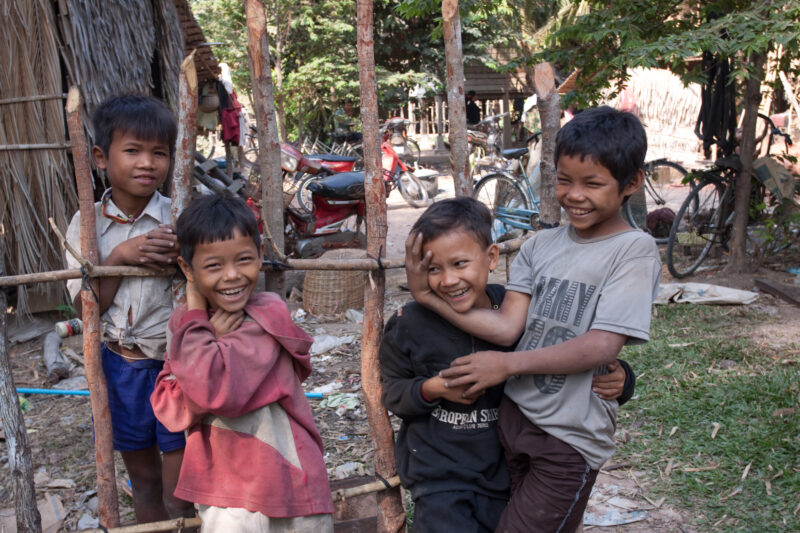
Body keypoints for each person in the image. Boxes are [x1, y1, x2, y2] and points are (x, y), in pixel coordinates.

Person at [406, 106, 661, 533]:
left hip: (569, 437)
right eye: (564, 180)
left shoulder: (633, 250)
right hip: (516, 419)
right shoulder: (538, 247)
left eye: (592, 183)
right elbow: (506, 326)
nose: (574, 195)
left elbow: (603, 346)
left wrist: (507, 365)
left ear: (631, 184)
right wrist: (426, 298)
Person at [384, 197, 637, 532]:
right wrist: (435, 388)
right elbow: (393, 391)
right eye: (433, 269)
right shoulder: (409, 324)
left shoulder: (517, 313)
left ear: (491, 258)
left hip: (507, 472)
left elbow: (568, 355)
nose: (448, 281)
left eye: (460, 264)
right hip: (439, 479)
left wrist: (623, 379)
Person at [151, 195, 334, 532]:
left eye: (244, 260)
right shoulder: (188, 327)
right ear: (188, 269)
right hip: (225, 491)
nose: (232, 276)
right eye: (213, 266)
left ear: (261, 255)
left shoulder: (265, 317)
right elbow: (169, 409)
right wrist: (202, 331)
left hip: (286, 483)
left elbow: (215, 391)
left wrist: (199, 336)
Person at [64, 95, 195, 524]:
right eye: (133, 150)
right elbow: (90, 313)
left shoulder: (180, 219)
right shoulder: (87, 226)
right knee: (143, 479)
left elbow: (216, 283)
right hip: (122, 367)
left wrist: (187, 256)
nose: (147, 163)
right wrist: (120, 256)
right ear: (101, 157)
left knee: (182, 489)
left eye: (159, 152)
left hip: (177, 368)